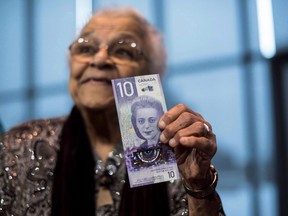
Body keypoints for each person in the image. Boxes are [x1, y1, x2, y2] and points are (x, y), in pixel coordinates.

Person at [0, 7, 225, 216]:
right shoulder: (16, 147)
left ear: (150, 72)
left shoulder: (176, 153)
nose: (99, 59)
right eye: (86, 48)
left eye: (123, 51)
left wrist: (198, 185)